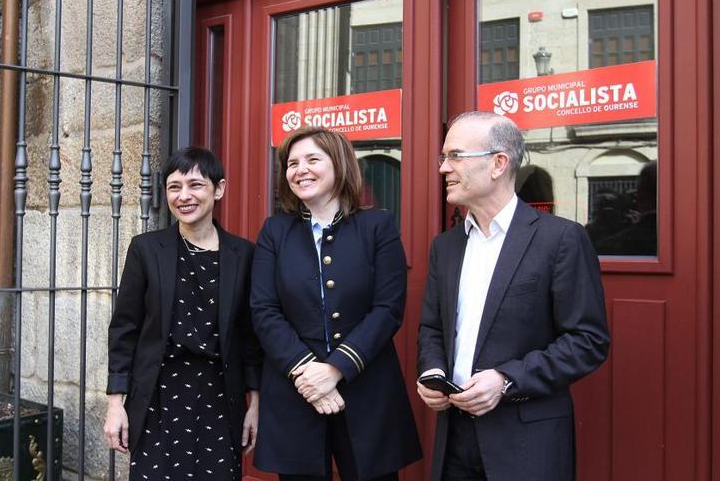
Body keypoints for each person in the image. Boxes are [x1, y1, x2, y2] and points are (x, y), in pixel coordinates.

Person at [417, 112, 611, 481]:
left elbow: (588, 341)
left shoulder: (560, 239)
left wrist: (506, 380)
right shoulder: (446, 246)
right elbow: (431, 327)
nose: (444, 168)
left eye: (455, 155)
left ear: (498, 163)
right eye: (443, 158)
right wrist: (432, 372)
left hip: (527, 443)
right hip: (455, 438)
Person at [251, 127, 422, 480]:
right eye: (292, 163)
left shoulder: (378, 226)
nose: (300, 170)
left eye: (313, 159)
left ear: (339, 164)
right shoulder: (275, 231)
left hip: (367, 390)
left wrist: (335, 369)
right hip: (296, 391)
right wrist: (307, 374)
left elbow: (388, 308)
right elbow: (264, 311)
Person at [104, 147, 263, 480]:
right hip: (158, 397)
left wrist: (256, 404)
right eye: (174, 187)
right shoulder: (146, 250)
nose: (184, 196)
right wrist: (115, 404)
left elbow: (251, 337)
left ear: (218, 189)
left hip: (220, 397)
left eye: (195, 185)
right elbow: (124, 330)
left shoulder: (244, 254)